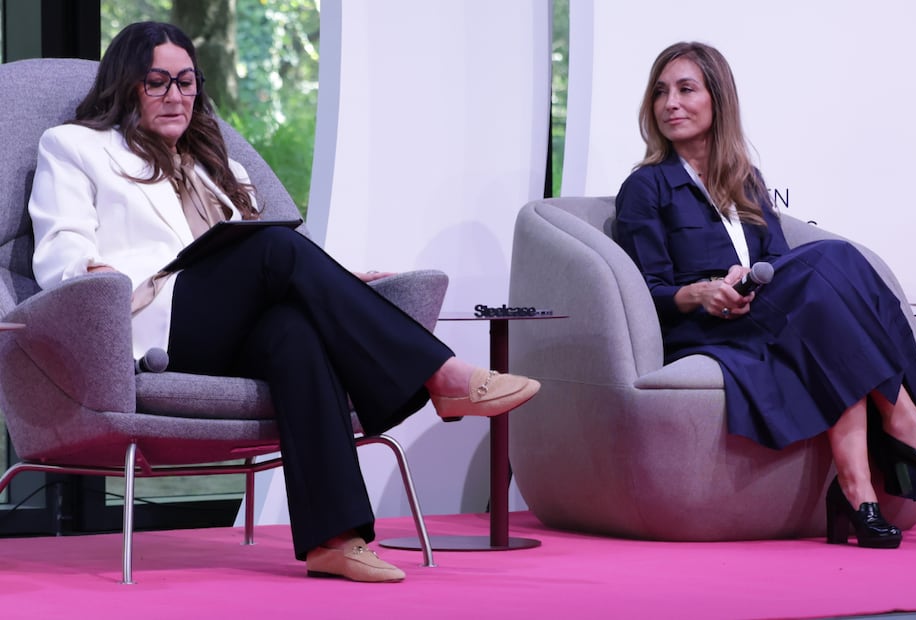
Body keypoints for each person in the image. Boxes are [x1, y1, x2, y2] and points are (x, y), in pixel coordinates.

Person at [27, 21, 540, 582]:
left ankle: (333, 538)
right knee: (275, 244)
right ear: (126, 85)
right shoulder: (77, 146)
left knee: (295, 332)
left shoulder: (218, 167)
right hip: (151, 321)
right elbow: (59, 247)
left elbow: (259, 266)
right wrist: (91, 273)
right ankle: (441, 375)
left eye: (185, 80)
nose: (175, 95)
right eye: (156, 82)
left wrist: (343, 283)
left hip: (223, 329)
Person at [614, 41, 916, 549]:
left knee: (834, 277)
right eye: (660, 93)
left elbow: (783, 264)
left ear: (718, 100)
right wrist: (703, 291)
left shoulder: (746, 181)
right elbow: (643, 293)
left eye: (686, 89)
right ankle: (903, 430)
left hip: (766, 314)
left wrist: (752, 279)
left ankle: (859, 497)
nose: (670, 103)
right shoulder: (646, 187)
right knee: (831, 272)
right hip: (706, 328)